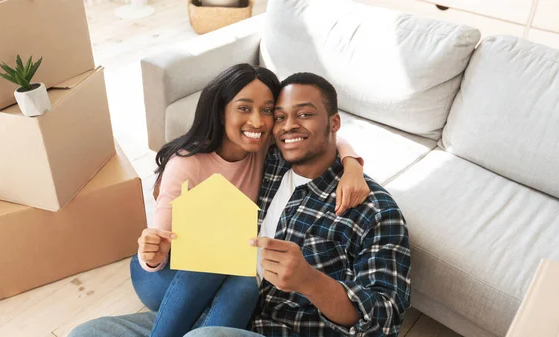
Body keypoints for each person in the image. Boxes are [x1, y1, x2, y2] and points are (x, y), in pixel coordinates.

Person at [116, 65, 369, 337]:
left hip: (228, 268)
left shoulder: (263, 151)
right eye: (244, 108)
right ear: (222, 111)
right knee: (212, 267)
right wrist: (152, 254)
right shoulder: (185, 163)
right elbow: (159, 241)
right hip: (165, 271)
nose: (258, 122)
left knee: (245, 287)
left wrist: (352, 165)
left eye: (268, 110)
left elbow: (325, 135)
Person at [181, 72, 411, 337]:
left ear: (334, 123)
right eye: (279, 117)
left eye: (304, 114)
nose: (288, 126)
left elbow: (385, 319)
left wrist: (309, 281)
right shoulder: (269, 162)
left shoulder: (376, 211)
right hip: (228, 310)